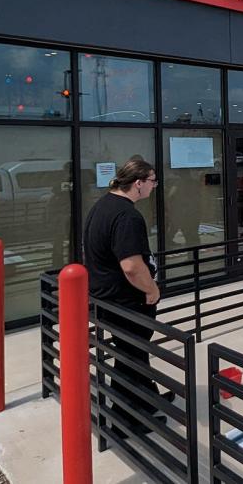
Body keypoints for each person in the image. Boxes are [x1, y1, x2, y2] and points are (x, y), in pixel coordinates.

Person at [82, 156, 163, 430]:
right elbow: (130, 266)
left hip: (106, 297)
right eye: (152, 181)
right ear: (138, 183)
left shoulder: (102, 206)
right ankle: (126, 418)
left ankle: (149, 400)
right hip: (125, 301)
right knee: (130, 356)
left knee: (136, 353)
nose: (154, 186)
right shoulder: (127, 216)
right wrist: (151, 289)